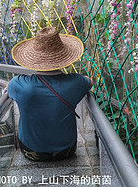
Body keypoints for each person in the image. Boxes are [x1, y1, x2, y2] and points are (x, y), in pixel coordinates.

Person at [7, 27, 92, 162]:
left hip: (31, 151)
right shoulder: (76, 83)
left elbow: (8, 89)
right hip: (67, 151)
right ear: (64, 56)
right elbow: (89, 81)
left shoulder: (19, 84)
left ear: (33, 58)